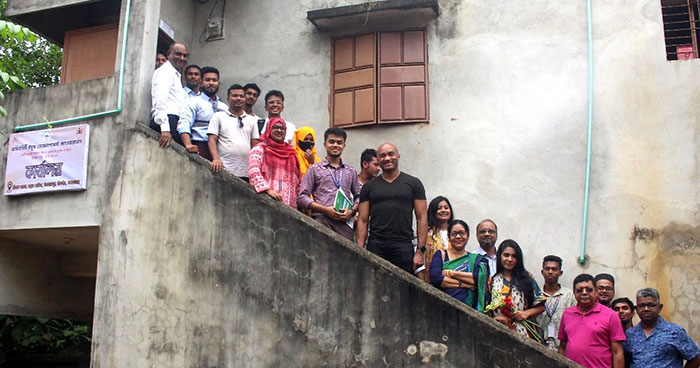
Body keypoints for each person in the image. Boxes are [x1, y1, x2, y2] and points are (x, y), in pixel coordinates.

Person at [356, 143, 428, 274]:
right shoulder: (369, 187)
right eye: (382, 156)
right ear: (378, 160)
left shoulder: (413, 183)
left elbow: (422, 217)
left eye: (391, 154)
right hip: (376, 244)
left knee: (403, 289)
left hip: (403, 244)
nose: (387, 158)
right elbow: (362, 220)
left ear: (398, 156)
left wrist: (419, 251)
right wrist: (360, 250)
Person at [297, 127, 360, 241]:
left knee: (344, 257)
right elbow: (302, 197)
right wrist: (325, 210)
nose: (335, 145)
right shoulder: (315, 169)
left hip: (344, 224)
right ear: (325, 144)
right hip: (322, 221)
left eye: (339, 142)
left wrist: (352, 211)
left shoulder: (350, 171)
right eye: (331, 142)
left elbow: (359, 196)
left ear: (344, 146)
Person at [558, 273, 625, 368]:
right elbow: (563, 347)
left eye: (589, 290)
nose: (584, 293)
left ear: (596, 291)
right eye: (579, 290)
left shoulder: (611, 315)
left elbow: (617, 352)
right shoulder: (567, 314)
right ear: (574, 292)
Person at [624, 288, 700, 368]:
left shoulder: (675, 331)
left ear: (660, 308)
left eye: (651, 305)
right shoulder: (630, 334)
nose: (646, 309)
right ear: (636, 309)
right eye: (642, 306)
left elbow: (695, 357)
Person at [429, 219, 490, 311]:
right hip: (443, 308)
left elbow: (479, 279)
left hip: (469, 311)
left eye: (461, 233)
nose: (458, 236)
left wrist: (451, 273)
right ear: (449, 237)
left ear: (467, 235)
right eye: (454, 234)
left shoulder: (475, 260)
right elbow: (436, 278)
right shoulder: (441, 255)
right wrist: (463, 284)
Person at [490, 239, 545, 339]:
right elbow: (486, 309)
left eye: (514, 256)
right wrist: (496, 318)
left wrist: (526, 313)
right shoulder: (492, 282)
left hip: (523, 333)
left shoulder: (527, 279)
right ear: (499, 257)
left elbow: (541, 307)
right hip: (497, 332)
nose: (510, 259)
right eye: (506, 255)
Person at [207, 84, 260, 179]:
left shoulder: (252, 120)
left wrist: (255, 168)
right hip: (224, 168)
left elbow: (255, 145)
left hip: (246, 171)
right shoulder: (218, 116)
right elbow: (212, 139)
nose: (238, 98)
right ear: (228, 98)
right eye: (235, 96)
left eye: (241, 96)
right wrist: (215, 159)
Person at [248, 117, 301, 207]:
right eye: (275, 127)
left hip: (289, 207)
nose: (279, 130)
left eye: (282, 128)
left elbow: (298, 180)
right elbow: (254, 171)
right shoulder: (260, 149)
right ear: (269, 128)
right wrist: (268, 190)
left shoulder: (292, 154)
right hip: (266, 203)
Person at [178, 66, 228, 160]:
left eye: (214, 80)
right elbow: (184, 124)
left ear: (219, 83)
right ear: (201, 82)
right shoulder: (193, 102)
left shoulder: (224, 107)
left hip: (220, 150)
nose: (211, 83)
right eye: (207, 80)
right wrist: (188, 145)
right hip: (199, 147)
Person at [150, 41, 188, 147]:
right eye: (178, 54)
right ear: (169, 54)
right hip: (168, 120)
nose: (182, 58)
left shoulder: (175, 74)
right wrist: (165, 129)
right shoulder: (164, 72)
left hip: (175, 121)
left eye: (185, 55)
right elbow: (160, 100)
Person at [536, 255, 576, 351]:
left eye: (554, 269)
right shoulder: (535, 295)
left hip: (562, 348)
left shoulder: (570, 295)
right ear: (542, 272)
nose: (550, 272)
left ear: (560, 273)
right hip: (538, 345)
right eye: (547, 269)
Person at [420, 196, 454, 283]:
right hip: (430, 280)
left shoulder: (456, 233)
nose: (443, 210)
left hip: (452, 281)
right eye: (439, 208)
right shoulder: (426, 234)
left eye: (446, 208)